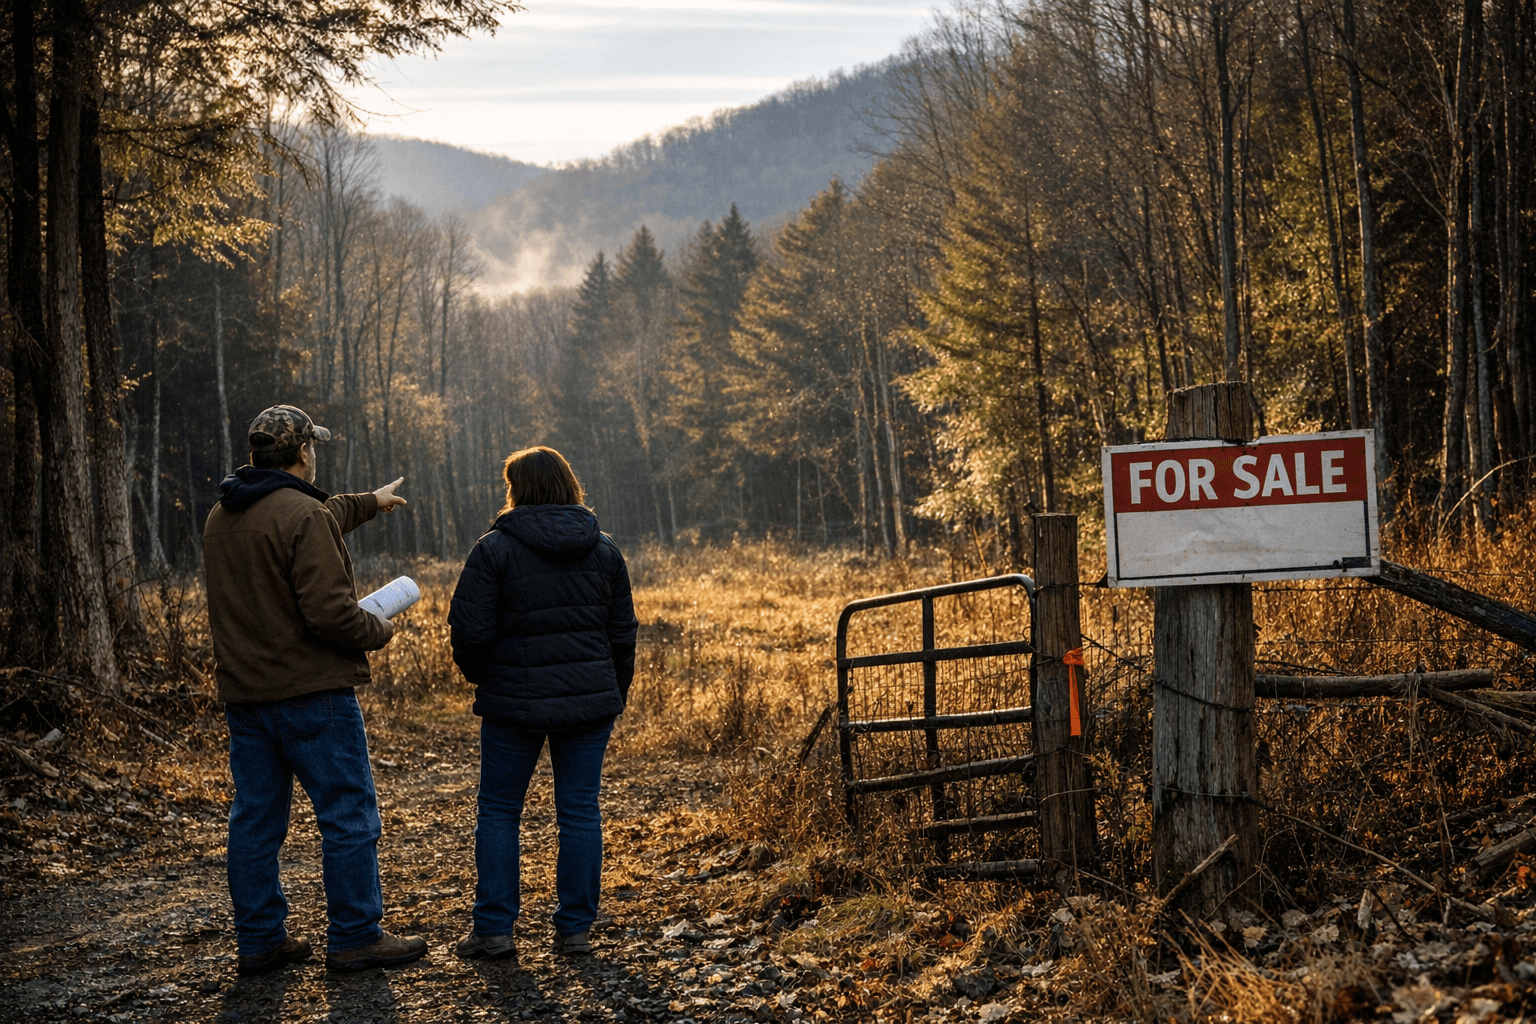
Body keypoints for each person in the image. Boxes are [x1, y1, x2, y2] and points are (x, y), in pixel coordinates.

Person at [203, 404, 428, 975]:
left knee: (255, 824)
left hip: (247, 701)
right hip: (313, 695)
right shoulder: (303, 517)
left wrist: (370, 503)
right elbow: (331, 614)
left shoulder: (222, 517)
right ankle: (355, 936)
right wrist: (378, 628)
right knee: (348, 816)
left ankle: (259, 942)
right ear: (304, 452)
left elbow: (313, 516)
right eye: (314, 448)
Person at [448, 446, 638, 959]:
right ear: (568, 484)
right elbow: (623, 634)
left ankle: (493, 930)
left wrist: (486, 679)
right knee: (579, 812)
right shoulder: (604, 551)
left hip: (513, 704)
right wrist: (612, 691)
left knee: (499, 811)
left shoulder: (493, 550)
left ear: (517, 489)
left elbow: (469, 631)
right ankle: (575, 930)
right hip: (589, 704)